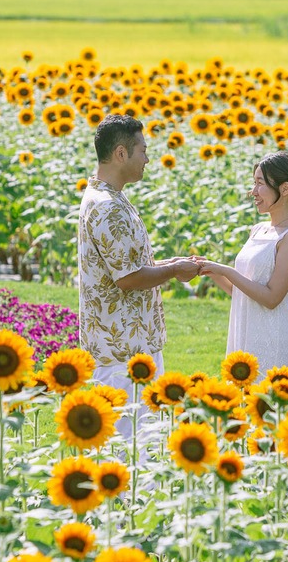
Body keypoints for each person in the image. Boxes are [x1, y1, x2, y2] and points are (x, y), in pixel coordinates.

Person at [77, 114, 198, 441]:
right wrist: (175, 271)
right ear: (120, 153)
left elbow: (127, 264)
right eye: (142, 150)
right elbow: (128, 279)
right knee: (132, 452)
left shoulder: (110, 198)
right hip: (122, 355)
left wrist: (172, 262)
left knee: (141, 447)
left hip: (129, 345)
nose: (147, 159)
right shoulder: (108, 207)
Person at [197, 151, 288, 379]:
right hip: (243, 335)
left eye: (260, 183)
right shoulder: (258, 230)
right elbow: (242, 292)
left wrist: (227, 270)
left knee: (266, 410)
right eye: (254, 183)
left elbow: (272, 298)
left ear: (284, 189)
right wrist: (211, 270)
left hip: (271, 344)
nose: (253, 191)